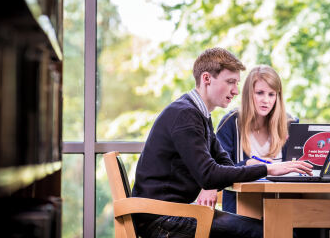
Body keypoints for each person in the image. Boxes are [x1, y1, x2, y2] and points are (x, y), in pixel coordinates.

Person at [131, 48, 313, 238]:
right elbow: (209, 176)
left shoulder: (200, 114)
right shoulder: (185, 115)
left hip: (174, 213)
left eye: (236, 83)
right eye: (230, 82)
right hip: (162, 219)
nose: (235, 91)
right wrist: (269, 169)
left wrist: (253, 166)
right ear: (207, 79)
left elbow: (224, 166)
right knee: (264, 232)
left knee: (266, 228)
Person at [207, 65, 298, 213]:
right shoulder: (231, 123)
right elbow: (217, 172)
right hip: (243, 204)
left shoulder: (290, 124)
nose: (266, 100)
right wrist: (248, 164)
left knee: (329, 202)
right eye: (260, 93)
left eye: (271, 94)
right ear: (249, 94)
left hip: (284, 202)